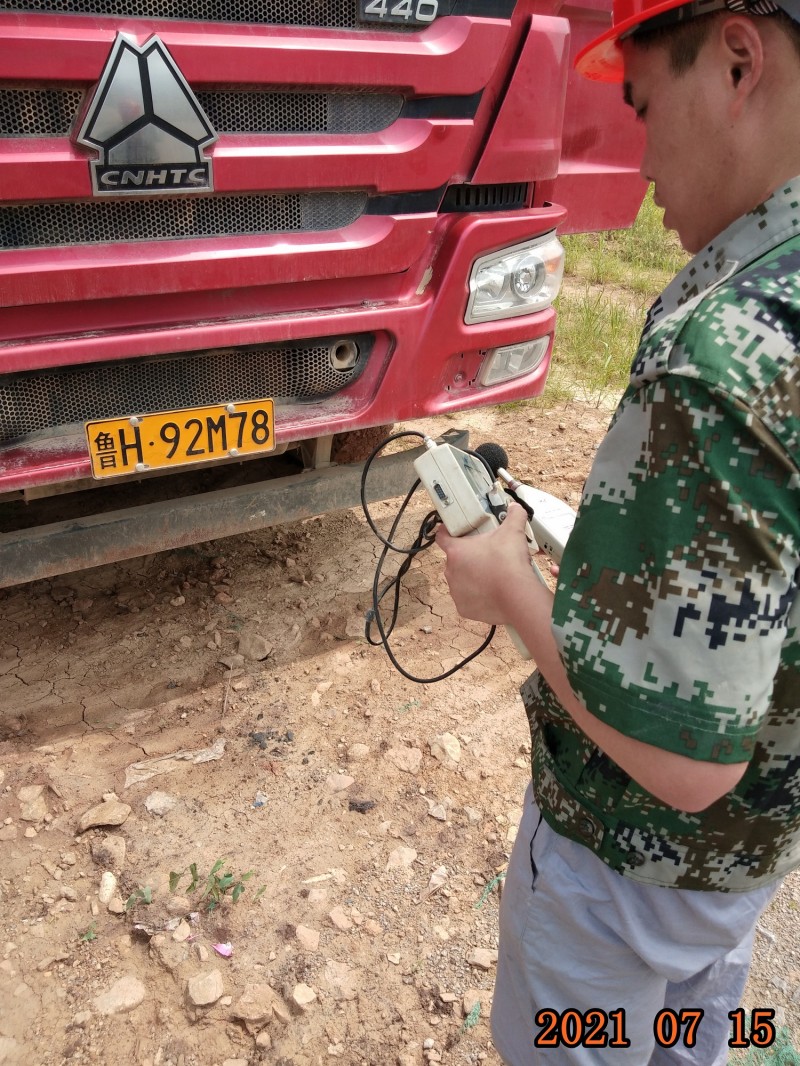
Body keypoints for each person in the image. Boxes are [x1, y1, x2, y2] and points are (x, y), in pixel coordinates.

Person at [435, 0, 800, 1061]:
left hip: (624, 875)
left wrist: (508, 586)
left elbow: (682, 761)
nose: (640, 167)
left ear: (736, 62)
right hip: (746, 864)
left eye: (642, 109)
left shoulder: (723, 353)